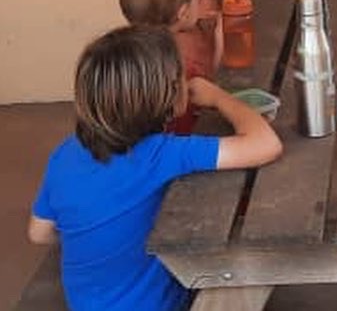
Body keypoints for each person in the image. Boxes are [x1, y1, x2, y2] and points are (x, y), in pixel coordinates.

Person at [27, 25, 283, 311]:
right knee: (260, 260)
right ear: (169, 95)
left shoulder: (65, 153)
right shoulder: (161, 153)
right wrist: (218, 97)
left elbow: (39, 233)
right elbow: (266, 144)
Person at [118, 0, 209, 133]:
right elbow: (205, 95)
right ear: (183, 13)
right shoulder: (179, 61)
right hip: (182, 143)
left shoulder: (121, 56)